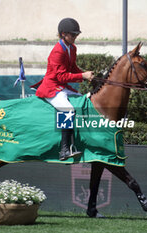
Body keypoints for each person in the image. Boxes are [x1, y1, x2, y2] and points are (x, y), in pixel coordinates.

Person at [33, 18, 94, 161]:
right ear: (63, 34)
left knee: (81, 100)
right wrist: (82, 76)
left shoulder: (72, 48)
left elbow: (72, 68)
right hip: (51, 87)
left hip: (62, 86)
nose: (75, 38)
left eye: (76, 35)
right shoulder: (57, 51)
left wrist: (86, 75)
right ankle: (64, 150)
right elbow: (60, 76)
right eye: (72, 35)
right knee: (67, 110)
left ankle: (78, 142)